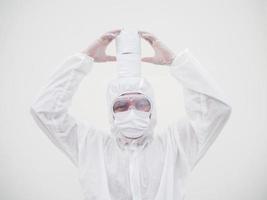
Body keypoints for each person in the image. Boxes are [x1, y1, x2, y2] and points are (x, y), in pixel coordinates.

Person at [30, 29, 232, 200]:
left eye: (141, 103)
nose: (132, 111)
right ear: (111, 112)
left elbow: (215, 110)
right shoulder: (91, 147)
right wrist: (83, 60)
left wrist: (176, 62)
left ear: (152, 110)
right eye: (121, 106)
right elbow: (45, 111)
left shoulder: (175, 146)